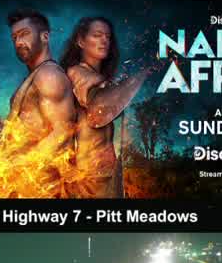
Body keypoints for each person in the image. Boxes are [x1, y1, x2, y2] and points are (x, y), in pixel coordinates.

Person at [60, 17, 156, 199]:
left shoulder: (98, 77)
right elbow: (98, 114)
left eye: (108, 37)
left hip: (106, 171)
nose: (104, 40)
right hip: (91, 176)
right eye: (97, 35)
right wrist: (145, 72)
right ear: (81, 41)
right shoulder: (77, 73)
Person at [0, 9, 77, 198]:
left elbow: (62, 131)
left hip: (41, 187)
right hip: (20, 184)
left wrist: (18, 165)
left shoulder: (49, 75)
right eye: (14, 37)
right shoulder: (34, 77)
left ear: (45, 36)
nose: (18, 42)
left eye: (24, 34)